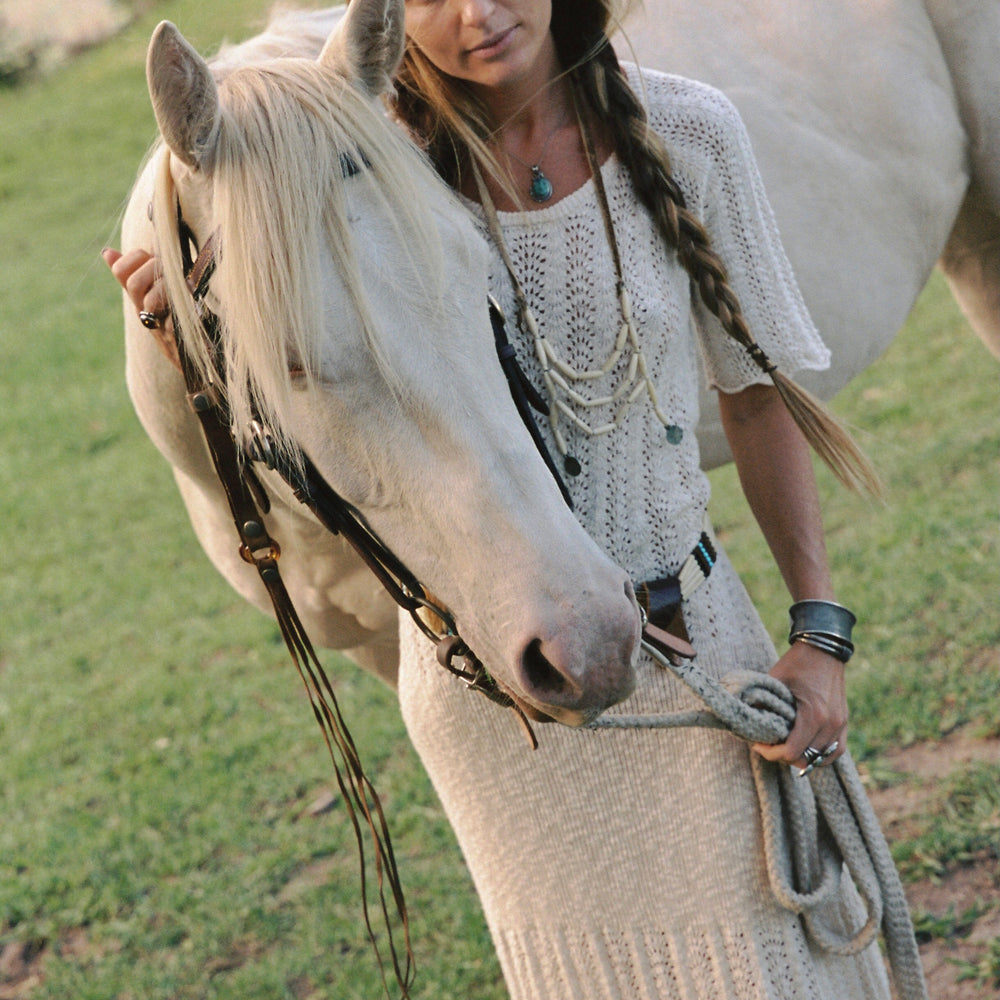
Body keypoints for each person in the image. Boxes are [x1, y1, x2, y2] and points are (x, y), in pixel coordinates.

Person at [106, 2, 910, 997]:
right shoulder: (385, 169)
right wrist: (189, 316)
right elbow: (331, 416)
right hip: (497, 711)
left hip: (696, 641)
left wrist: (819, 633)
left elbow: (756, 400)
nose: (478, 12)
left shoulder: (687, 129)